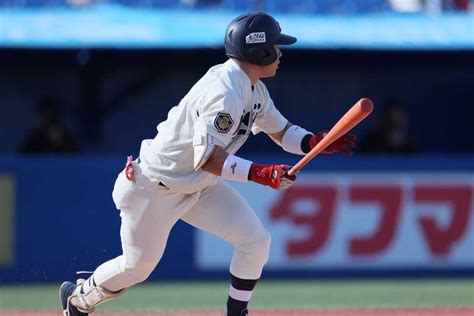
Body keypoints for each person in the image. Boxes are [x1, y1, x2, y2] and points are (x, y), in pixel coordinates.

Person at [59, 12, 356, 316]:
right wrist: (261, 173)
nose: (280, 53)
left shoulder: (253, 88)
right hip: (153, 187)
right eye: (276, 47)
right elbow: (207, 159)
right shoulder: (225, 91)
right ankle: (79, 299)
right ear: (259, 51)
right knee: (137, 268)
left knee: (255, 241)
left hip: (197, 185)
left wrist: (314, 142)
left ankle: (236, 313)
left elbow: (281, 131)